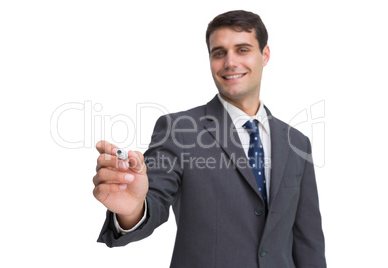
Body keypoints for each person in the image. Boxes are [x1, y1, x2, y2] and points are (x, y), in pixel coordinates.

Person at [93, 10, 326, 268]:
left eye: (242, 49)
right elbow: (153, 199)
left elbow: (308, 242)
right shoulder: (179, 130)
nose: (230, 62)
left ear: (265, 55)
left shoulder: (297, 142)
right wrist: (132, 209)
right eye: (219, 53)